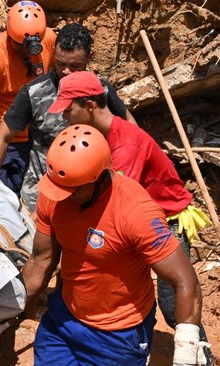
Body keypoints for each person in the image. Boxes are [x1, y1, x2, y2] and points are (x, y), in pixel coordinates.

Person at [47, 70, 214, 363]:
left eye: (68, 109)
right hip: (141, 217)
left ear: (89, 105)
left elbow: (117, 206)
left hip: (166, 216)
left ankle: (198, 353)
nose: (64, 118)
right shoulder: (99, 137)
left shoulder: (125, 147)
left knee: (174, 299)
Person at [23, 124, 208, 365]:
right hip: (65, 317)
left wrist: (186, 348)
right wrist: (12, 309)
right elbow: (41, 260)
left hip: (118, 333)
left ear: (98, 179)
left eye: (73, 190)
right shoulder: (56, 193)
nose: (63, 196)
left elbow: (185, 282)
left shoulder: (134, 211)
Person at [0, 23, 137, 211]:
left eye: (75, 66)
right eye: (60, 63)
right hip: (43, 192)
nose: (66, 71)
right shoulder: (33, 93)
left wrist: (127, 168)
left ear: (88, 58)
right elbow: (3, 136)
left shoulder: (101, 89)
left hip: (92, 190)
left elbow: (129, 125)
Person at [0, 1, 57, 194]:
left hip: (29, 137)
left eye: (32, 45)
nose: (27, 51)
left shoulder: (48, 39)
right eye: (20, 46)